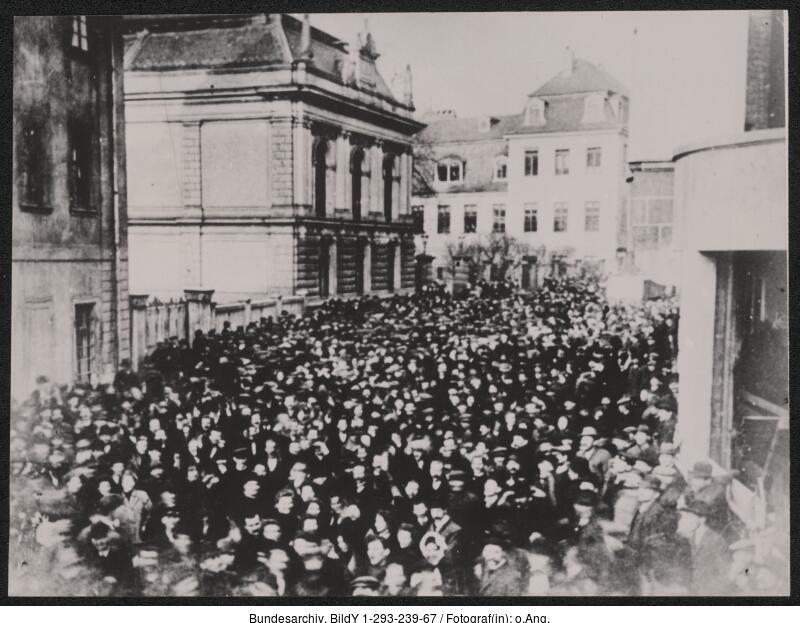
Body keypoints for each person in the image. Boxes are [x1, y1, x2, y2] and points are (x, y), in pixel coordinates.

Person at [677, 500, 732, 595]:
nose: (686, 520)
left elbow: (725, 574)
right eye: (686, 516)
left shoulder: (716, 540)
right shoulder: (690, 538)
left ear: (702, 519)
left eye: (690, 517)